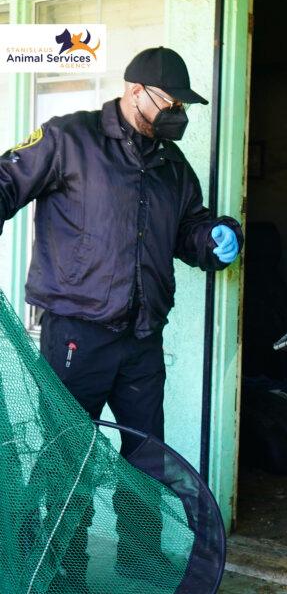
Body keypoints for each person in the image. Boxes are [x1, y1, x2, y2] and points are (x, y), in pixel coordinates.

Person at [0, 46, 243, 591]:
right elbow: (5, 182)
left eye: (183, 103)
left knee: (146, 460)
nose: (177, 111)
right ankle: (65, 571)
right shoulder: (69, 138)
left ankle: (144, 564)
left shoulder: (171, 165)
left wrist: (214, 237)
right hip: (75, 337)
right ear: (135, 91)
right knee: (70, 462)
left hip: (142, 339)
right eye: (170, 100)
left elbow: (190, 230)